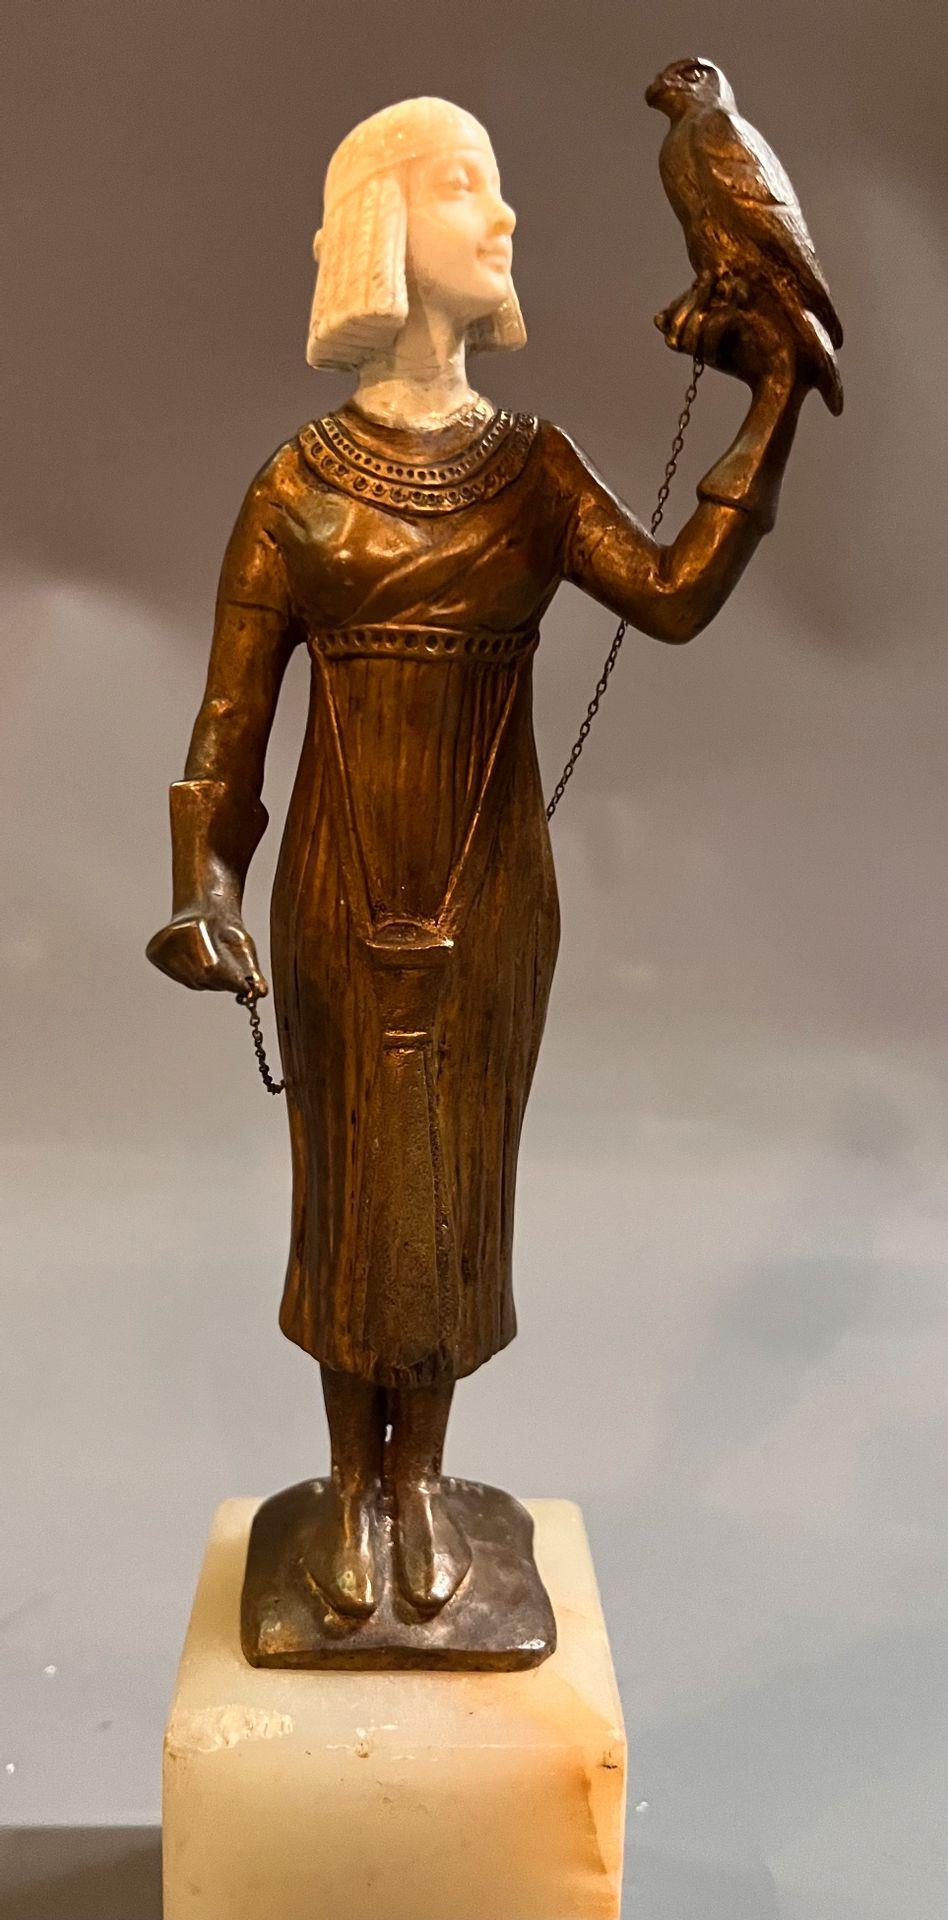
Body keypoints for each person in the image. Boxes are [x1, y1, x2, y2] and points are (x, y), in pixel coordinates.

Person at [147, 96, 810, 1623]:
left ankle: (421, 1482)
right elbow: (230, 726)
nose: (504, 216)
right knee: (349, 1187)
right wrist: (202, 887)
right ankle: (348, 1482)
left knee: (455, 1194)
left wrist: (775, 395)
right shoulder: (297, 485)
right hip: (338, 894)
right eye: (466, 187)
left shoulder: (534, 470)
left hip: (494, 897)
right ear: (385, 224)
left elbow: (674, 593)